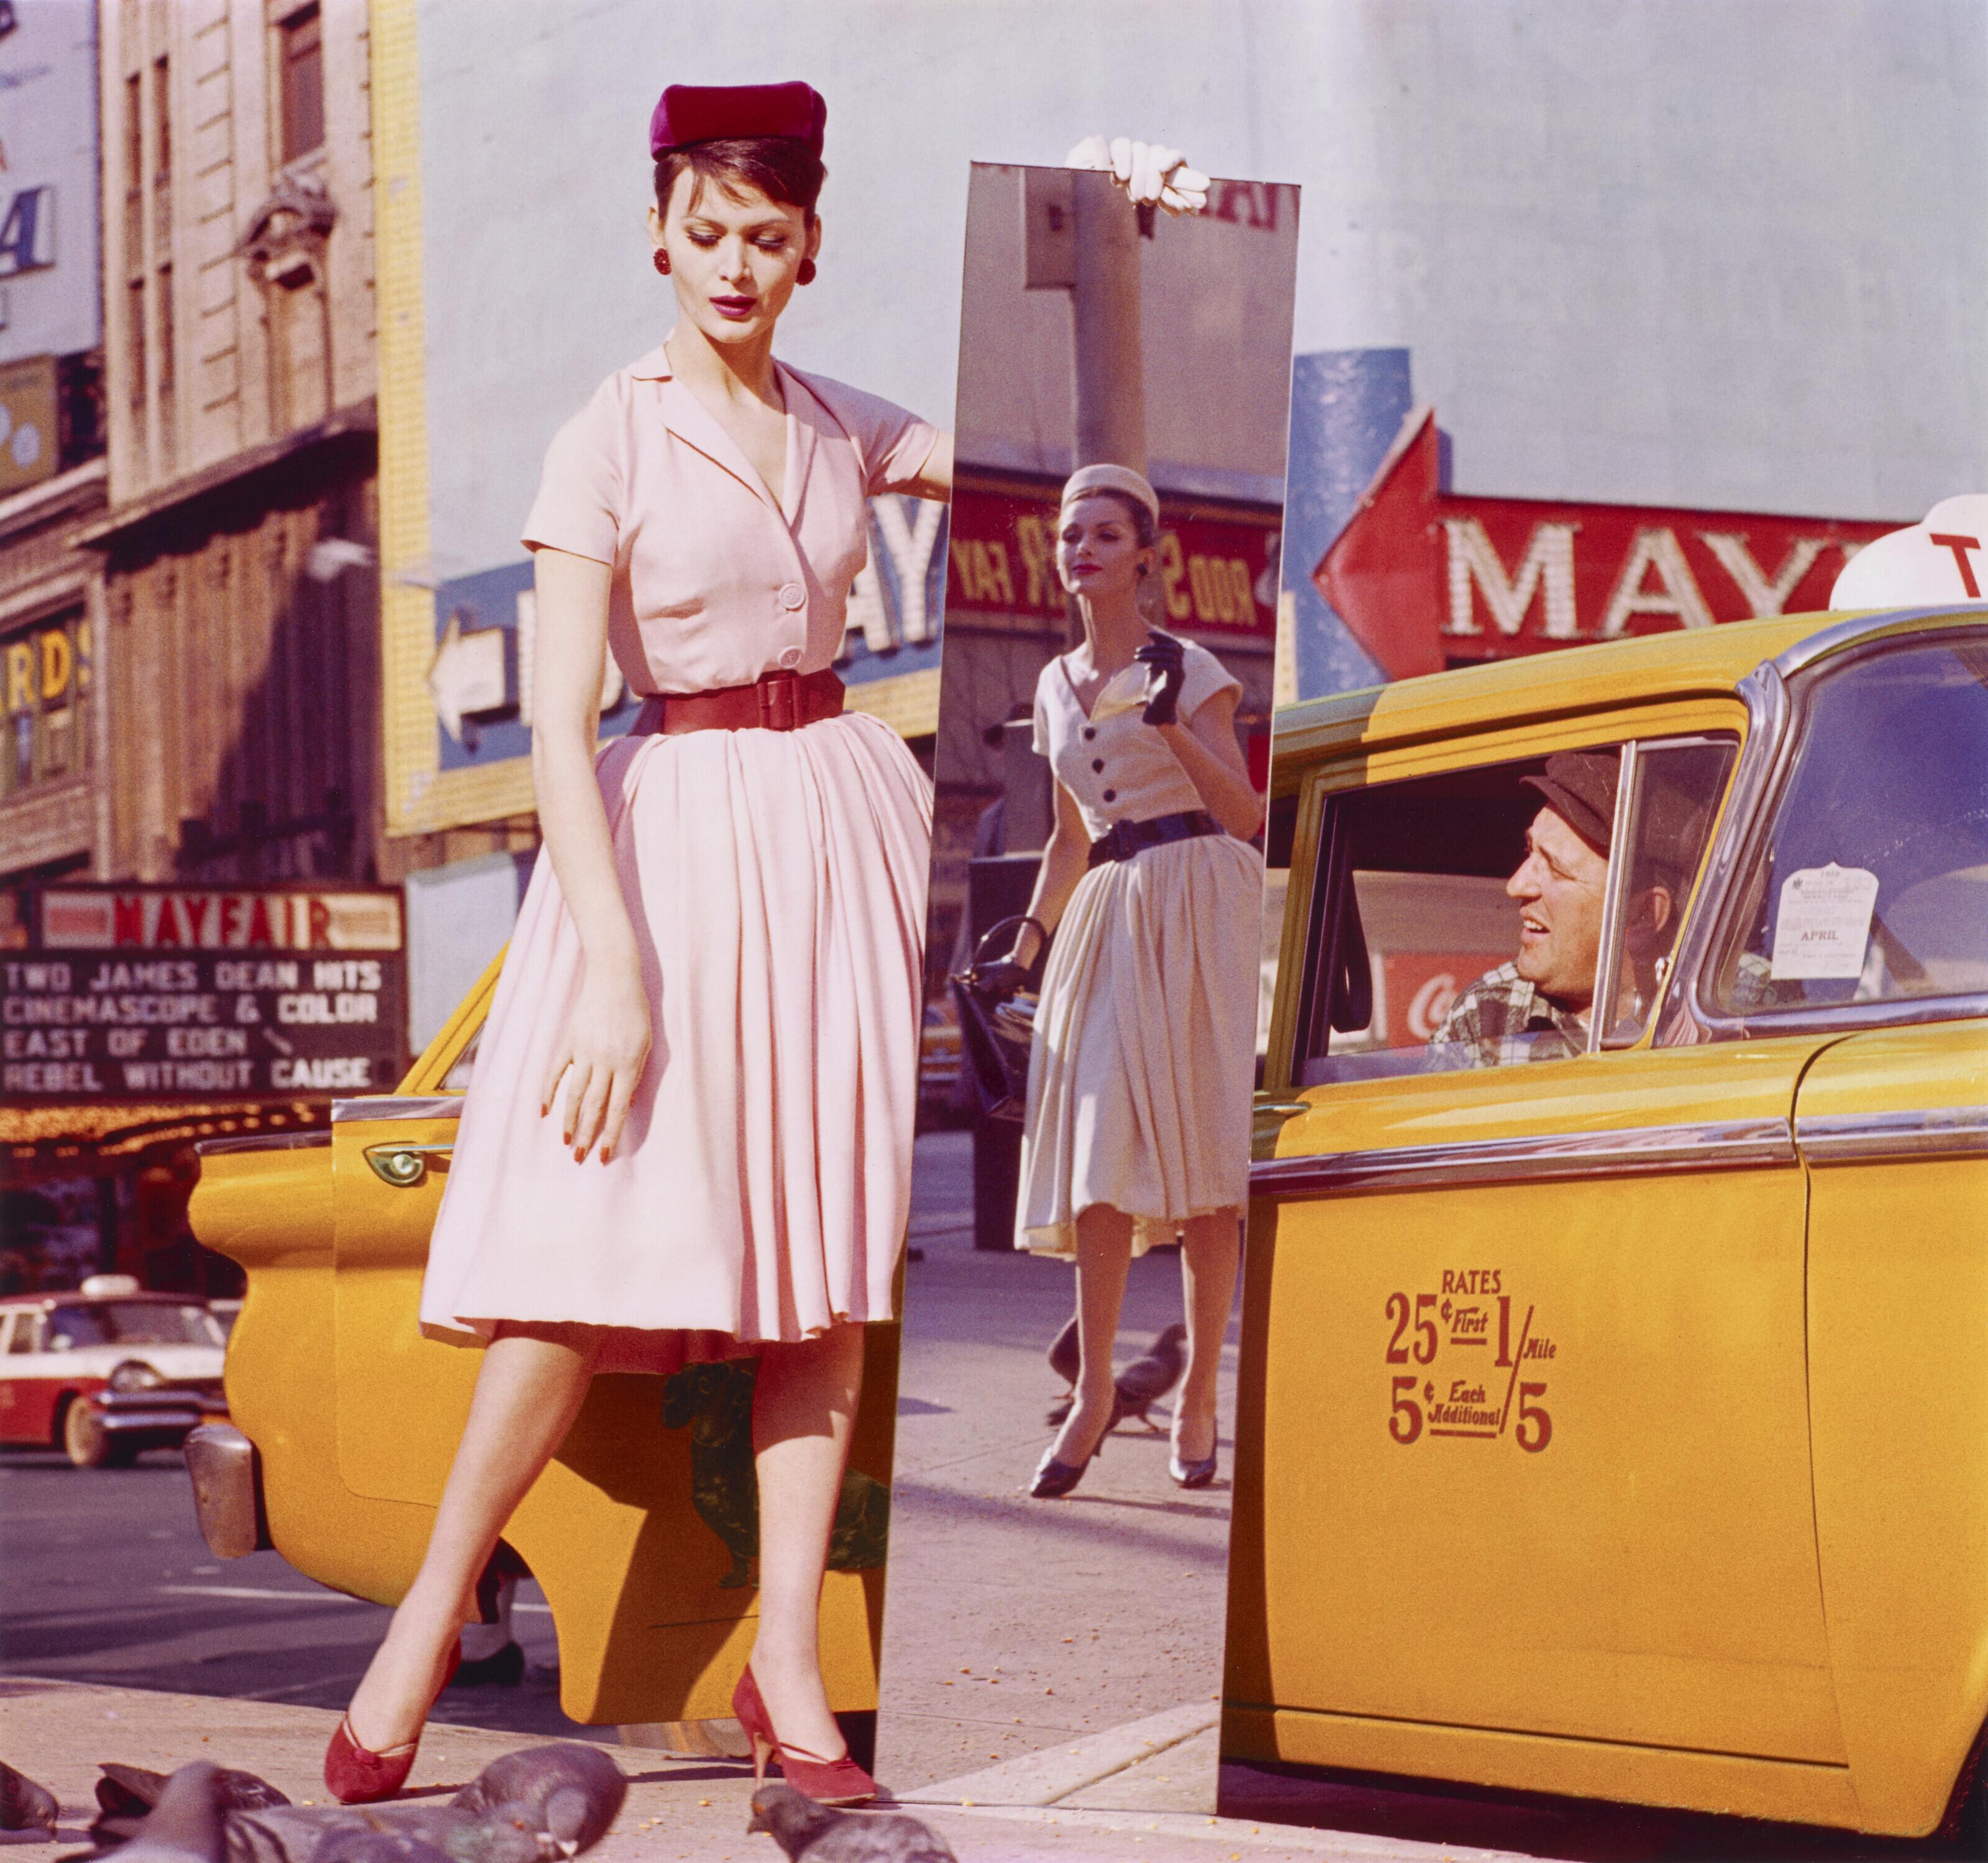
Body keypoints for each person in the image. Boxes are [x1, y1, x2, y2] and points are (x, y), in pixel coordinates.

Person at [322, 81, 952, 1811]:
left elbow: (1056, 455)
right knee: (580, 1251)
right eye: (709, 228)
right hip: (662, 841)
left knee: (821, 1267)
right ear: (658, 232)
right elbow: (551, 724)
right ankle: (432, 1610)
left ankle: (791, 1666)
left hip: (828, 829)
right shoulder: (607, 429)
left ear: (810, 244)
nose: (737, 261)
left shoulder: (845, 423)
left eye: (770, 233)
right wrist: (607, 959)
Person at [985, 465, 1264, 1498]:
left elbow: (1244, 816)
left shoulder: (1191, 666)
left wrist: (1172, 728)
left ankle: (1196, 1391)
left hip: (1199, 895)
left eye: (1105, 534)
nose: (1083, 549)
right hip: (1105, 908)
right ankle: (1098, 1387)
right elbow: (1068, 837)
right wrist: (1026, 949)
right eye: (1070, 535)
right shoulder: (1052, 685)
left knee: (1203, 1159)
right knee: (1094, 1148)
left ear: (1146, 555)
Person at [1430, 749, 1682, 1065]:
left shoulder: (1746, 1005)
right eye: (1529, 850)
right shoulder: (1486, 1016)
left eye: (1556, 868)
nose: (1516, 886)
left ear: (1644, 915)